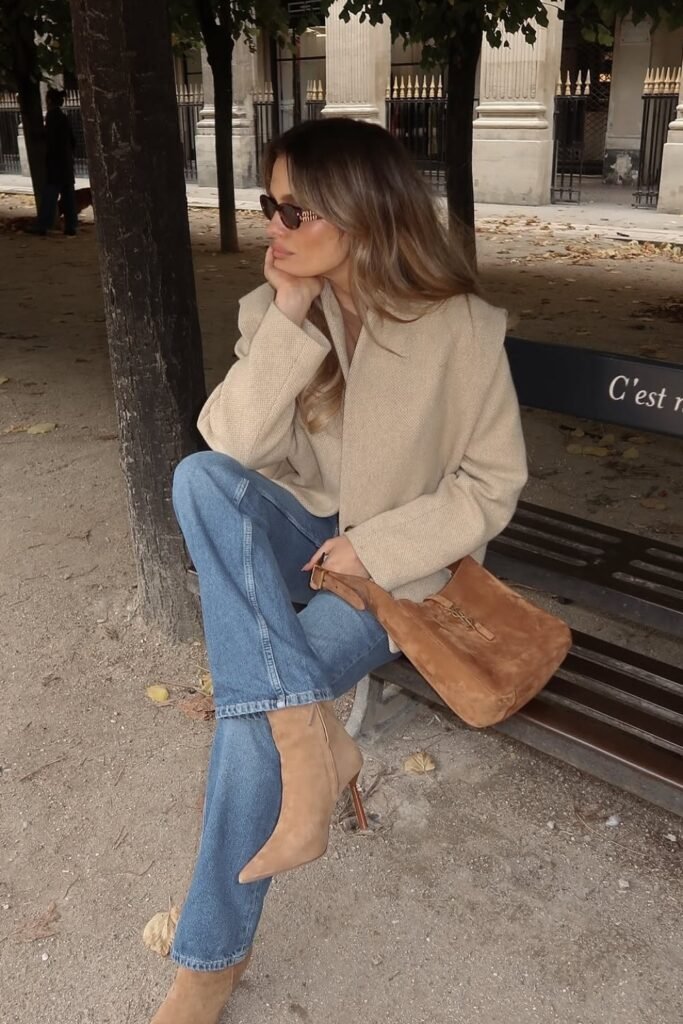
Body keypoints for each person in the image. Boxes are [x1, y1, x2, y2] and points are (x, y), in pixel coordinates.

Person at [151, 117, 528, 1024]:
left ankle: (208, 964)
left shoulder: (463, 330)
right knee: (198, 478)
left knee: (253, 719)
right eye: (267, 205)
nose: (273, 227)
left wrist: (377, 546)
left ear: (361, 215)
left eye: (293, 209)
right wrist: (285, 319)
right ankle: (315, 744)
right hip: (302, 536)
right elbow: (231, 448)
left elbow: (489, 485)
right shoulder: (275, 308)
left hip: (402, 573)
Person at [31, 88, 78, 237]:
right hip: (66, 164)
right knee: (68, 197)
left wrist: (40, 136)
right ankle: (71, 227)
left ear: (49, 101)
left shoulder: (52, 117)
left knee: (49, 197)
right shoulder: (64, 117)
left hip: (55, 164)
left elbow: (51, 140)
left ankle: (43, 225)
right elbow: (73, 140)